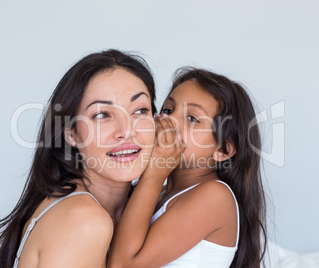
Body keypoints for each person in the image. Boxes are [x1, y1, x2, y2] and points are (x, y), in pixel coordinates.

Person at [0, 49, 158, 268]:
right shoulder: (83, 221)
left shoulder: (139, 209)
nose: (126, 130)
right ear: (71, 133)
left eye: (140, 110)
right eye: (102, 115)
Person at [108, 67, 267, 268]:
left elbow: (121, 265)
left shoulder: (215, 196)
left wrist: (154, 175)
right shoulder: (160, 193)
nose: (169, 120)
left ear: (223, 149)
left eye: (192, 118)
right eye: (167, 110)